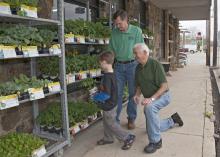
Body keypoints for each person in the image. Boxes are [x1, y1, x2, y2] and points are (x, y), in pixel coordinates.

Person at [133, 43, 184, 154]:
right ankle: (173, 120)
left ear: (145, 53)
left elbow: (164, 86)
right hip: (151, 98)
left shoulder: (155, 64)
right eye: (134, 53)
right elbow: (138, 85)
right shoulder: (138, 67)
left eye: (136, 53)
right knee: (152, 127)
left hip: (163, 96)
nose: (134, 56)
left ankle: (156, 141)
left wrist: (151, 99)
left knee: (149, 108)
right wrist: (137, 95)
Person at [109, 9, 144, 129]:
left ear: (126, 20)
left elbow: (141, 49)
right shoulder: (114, 33)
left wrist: (142, 66)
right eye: (116, 24)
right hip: (118, 66)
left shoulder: (136, 31)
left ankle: (131, 118)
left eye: (120, 23)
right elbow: (111, 51)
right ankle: (115, 121)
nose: (118, 26)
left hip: (133, 66)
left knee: (133, 94)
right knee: (116, 94)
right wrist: (108, 66)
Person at [95, 51, 135, 150]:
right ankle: (108, 138)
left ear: (104, 62)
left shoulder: (107, 77)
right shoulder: (112, 74)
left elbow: (106, 94)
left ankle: (127, 137)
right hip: (112, 102)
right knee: (106, 121)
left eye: (100, 63)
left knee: (111, 123)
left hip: (109, 104)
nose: (100, 65)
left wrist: (96, 98)